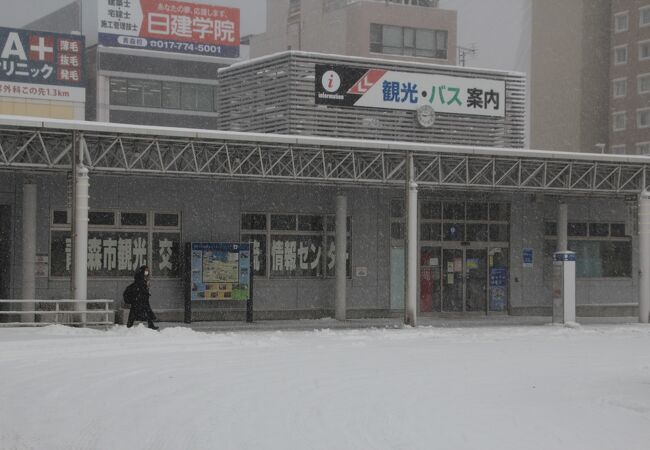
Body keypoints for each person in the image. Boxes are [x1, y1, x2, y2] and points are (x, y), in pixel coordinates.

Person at [126, 265, 159, 330]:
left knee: (136, 312)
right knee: (138, 311)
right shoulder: (140, 278)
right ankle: (130, 325)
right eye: (146, 270)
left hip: (140, 299)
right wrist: (145, 289)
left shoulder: (143, 278)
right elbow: (140, 287)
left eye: (147, 270)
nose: (147, 272)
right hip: (139, 299)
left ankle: (130, 325)